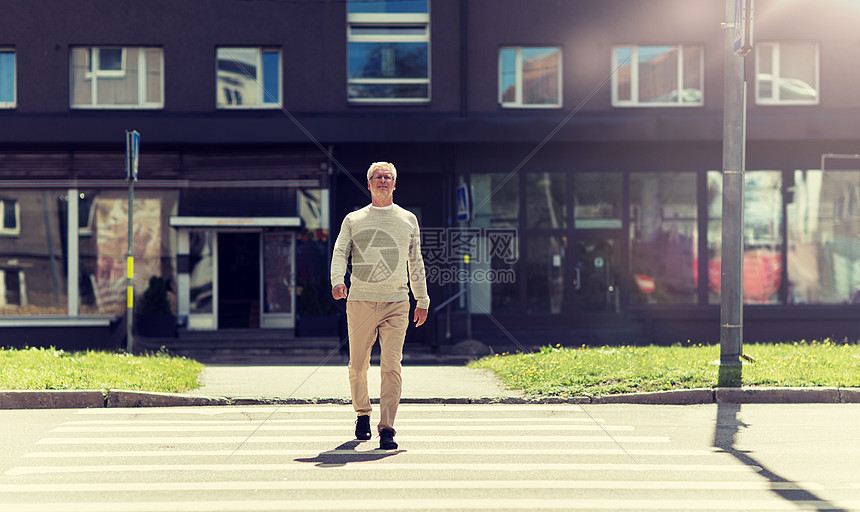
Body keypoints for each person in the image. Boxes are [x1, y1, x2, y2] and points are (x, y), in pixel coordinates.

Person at [330, 161, 430, 450]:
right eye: (377, 177)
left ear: (395, 184)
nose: (383, 180)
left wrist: (421, 299)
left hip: (397, 302)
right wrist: (337, 280)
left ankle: (387, 428)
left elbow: (416, 262)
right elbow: (340, 252)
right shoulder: (354, 219)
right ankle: (362, 412)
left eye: (388, 177)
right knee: (358, 365)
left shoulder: (408, 219)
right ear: (369, 184)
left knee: (391, 366)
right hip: (360, 300)